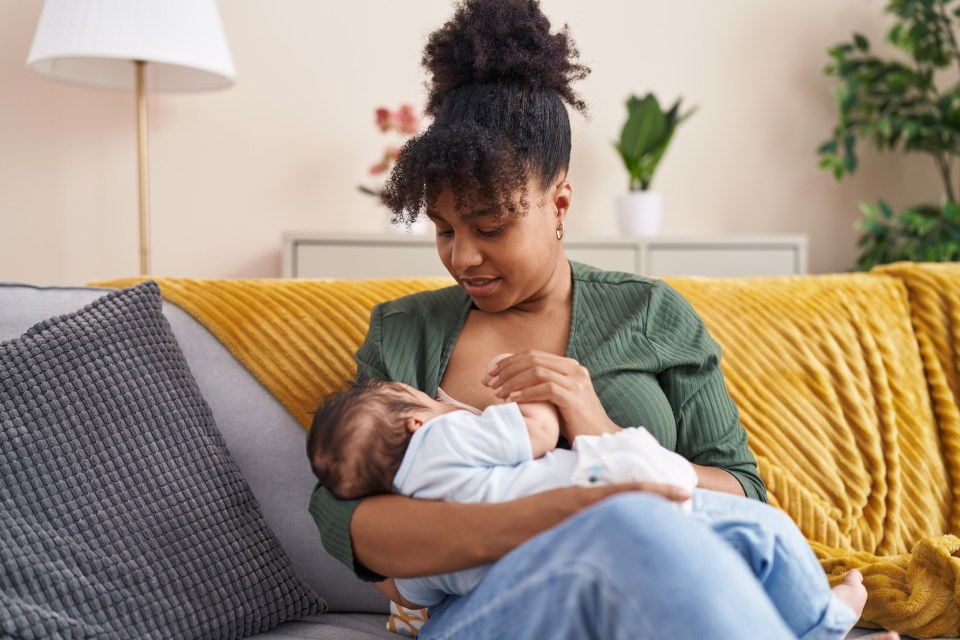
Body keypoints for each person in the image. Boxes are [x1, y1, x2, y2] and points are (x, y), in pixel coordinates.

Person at [308, 0, 900, 637]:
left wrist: (596, 423)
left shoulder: (649, 313)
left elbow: (745, 498)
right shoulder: (404, 333)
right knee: (623, 526)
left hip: (668, 597)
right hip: (494, 613)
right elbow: (350, 523)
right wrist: (576, 511)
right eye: (444, 229)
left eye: (489, 226)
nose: (463, 256)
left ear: (559, 200)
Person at [308, 370, 698, 609]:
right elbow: (540, 433)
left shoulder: (411, 537)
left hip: (537, 591)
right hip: (602, 491)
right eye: (423, 398)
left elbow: (410, 597)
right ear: (416, 423)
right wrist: (529, 394)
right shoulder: (443, 437)